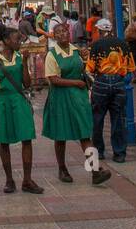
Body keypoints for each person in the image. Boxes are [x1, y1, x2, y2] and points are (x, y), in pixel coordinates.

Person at [42, 20, 111, 186]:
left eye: (64, 32)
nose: (62, 35)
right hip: (60, 98)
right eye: (58, 33)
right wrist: (75, 83)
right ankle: (62, 168)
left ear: (69, 33)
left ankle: (95, 171)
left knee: (84, 133)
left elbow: (85, 69)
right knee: (61, 135)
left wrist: (86, 62)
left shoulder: (77, 51)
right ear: (54, 36)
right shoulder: (52, 55)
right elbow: (53, 79)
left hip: (78, 98)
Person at [0, 26, 43, 195]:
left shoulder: (20, 58)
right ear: (6, 41)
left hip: (19, 100)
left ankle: (27, 179)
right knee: (4, 141)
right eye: (17, 39)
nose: (19, 42)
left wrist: (24, 63)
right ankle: (9, 179)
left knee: (27, 138)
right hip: (2, 102)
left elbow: (26, 84)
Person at [87, 19, 136, 164]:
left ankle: (99, 151)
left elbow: (90, 68)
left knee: (97, 119)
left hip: (101, 83)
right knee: (118, 119)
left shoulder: (95, 45)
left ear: (101, 31)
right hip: (118, 83)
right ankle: (119, 153)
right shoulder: (122, 44)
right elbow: (131, 68)